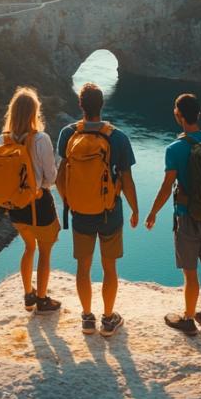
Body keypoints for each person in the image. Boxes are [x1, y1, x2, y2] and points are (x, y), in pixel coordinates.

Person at [56, 82, 139, 337]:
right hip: (109, 212)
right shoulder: (118, 137)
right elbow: (126, 180)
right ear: (102, 105)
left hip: (80, 212)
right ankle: (108, 319)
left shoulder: (68, 134)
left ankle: (87, 318)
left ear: (80, 105)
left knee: (83, 266)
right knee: (109, 266)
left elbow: (60, 177)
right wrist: (135, 210)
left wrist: (70, 200)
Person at [145, 93, 201, 336]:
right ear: (198, 114)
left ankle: (188, 319)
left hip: (187, 217)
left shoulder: (174, 148)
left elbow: (167, 187)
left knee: (190, 273)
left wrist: (153, 212)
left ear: (178, 115)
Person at [0, 87, 61, 315]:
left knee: (28, 247)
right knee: (45, 252)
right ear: (35, 112)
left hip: (15, 207)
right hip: (39, 204)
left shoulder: (3, 139)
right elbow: (50, 178)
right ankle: (43, 300)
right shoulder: (41, 139)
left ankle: (28, 295)